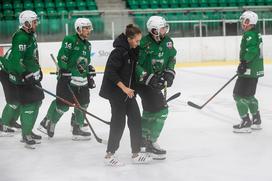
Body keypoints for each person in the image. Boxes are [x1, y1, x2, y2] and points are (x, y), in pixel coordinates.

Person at [100, 24, 152, 166]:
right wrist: (124, 88)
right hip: (117, 93)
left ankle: (135, 153)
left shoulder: (132, 51)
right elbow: (110, 72)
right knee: (118, 123)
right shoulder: (118, 52)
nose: (138, 43)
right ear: (129, 39)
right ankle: (109, 155)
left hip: (128, 93)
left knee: (136, 120)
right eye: (136, 40)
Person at [38, 18, 95, 140]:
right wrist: (64, 70)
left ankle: (77, 128)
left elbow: (85, 62)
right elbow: (62, 56)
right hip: (69, 80)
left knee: (83, 104)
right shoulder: (70, 40)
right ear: (78, 29)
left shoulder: (88, 45)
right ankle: (50, 122)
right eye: (86, 28)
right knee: (63, 105)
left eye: (89, 27)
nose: (88, 30)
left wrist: (89, 72)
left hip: (82, 82)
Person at [135, 16, 177, 160]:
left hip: (156, 82)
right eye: (162, 28)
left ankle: (143, 139)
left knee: (149, 111)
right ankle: (151, 142)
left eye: (165, 27)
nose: (165, 30)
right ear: (154, 30)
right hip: (143, 83)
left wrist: (169, 73)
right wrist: (149, 78)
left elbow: (172, 58)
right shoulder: (144, 43)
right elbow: (136, 65)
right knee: (162, 110)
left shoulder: (168, 42)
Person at [3, 10, 44, 148]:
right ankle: (25, 135)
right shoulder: (21, 37)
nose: (36, 23)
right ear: (26, 23)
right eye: (34, 21)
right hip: (22, 78)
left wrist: (38, 70)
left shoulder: (31, 35)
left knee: (37, 102)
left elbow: (31, 57)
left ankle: (28, 131)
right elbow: (16, 61)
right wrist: (25, 73)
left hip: (30, 76)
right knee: (29, 105)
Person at [233, 11, 264, 133]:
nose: (243, 23)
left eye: (245, 20)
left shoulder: (249, 35)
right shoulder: (256, 33)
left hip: (249, 70)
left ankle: (246, 122)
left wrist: (244, 63)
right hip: (254, 70)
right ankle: (256, 119)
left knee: (238, 95)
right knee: (249, 95)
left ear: (250, 21)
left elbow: (252, 50)